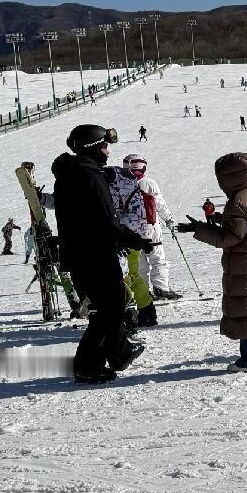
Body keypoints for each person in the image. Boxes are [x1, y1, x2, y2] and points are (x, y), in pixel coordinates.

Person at [51, 125, 148, 383]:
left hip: (81, 252)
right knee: (110, 308)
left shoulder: (69, 174)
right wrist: (134, 239)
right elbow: (106, 219)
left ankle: (117, 354)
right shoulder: (90, 177)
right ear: (94, 148)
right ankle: (89, 364)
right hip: (95, 252)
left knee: (111, 305)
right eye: (104, 146)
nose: (107, 152)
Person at [179, 152, 247, 372]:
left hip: (245, 266)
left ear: (229, 177)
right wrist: (221, 219)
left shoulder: (238, 201)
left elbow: (230, 238)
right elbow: (246, 225)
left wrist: (200, 229)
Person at [121, 152, 180, 301]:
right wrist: (170, 221)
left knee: (139, 262)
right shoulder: (148, 183)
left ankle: (144, 290)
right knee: (157, 257)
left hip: (130, 229)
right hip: (150, 226)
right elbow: (160, 204)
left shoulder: (122, 184)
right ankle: (161, 287)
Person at [108, 154, 158, 327]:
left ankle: (141, 311)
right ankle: (145, 311)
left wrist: (120, 231)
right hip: (135, 235)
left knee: (128, 275)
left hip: (129, 237)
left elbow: (135, 214)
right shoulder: (131, 185)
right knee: (132, 274)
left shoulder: (128, 186)